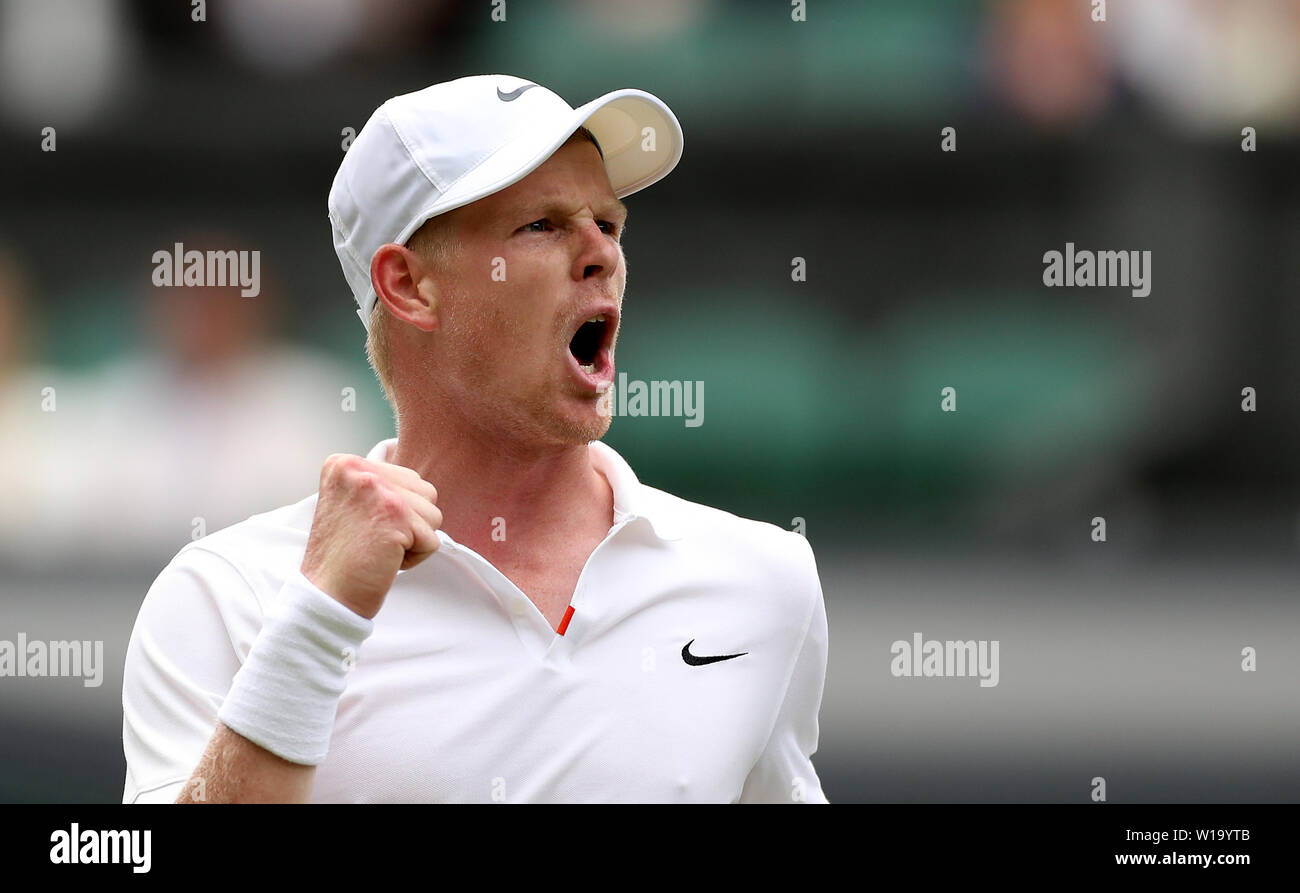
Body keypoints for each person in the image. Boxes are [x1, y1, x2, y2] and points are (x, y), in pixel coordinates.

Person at [121, 74, 830, 803]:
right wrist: (320, 617)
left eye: (609, 225)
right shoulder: (224, 595)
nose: (602, 255)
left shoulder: (766, 582)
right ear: (408, 286)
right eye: (542, 226)